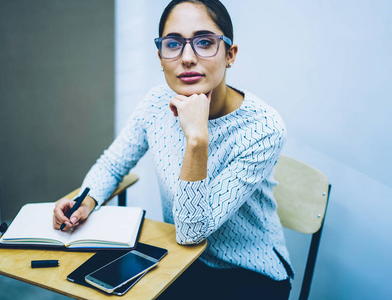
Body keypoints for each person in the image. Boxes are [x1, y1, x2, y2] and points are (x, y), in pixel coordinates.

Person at [53, 0, 293, 299]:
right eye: (173, 44)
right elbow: (112, 165)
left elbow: (192, 231)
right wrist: (85, 201)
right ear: (160, 56)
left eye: (205, 42)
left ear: (230, 54)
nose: (188, 58)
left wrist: (196, 139)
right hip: (182, 258)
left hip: (249, 272)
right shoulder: (156, 103)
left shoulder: (264, 127)